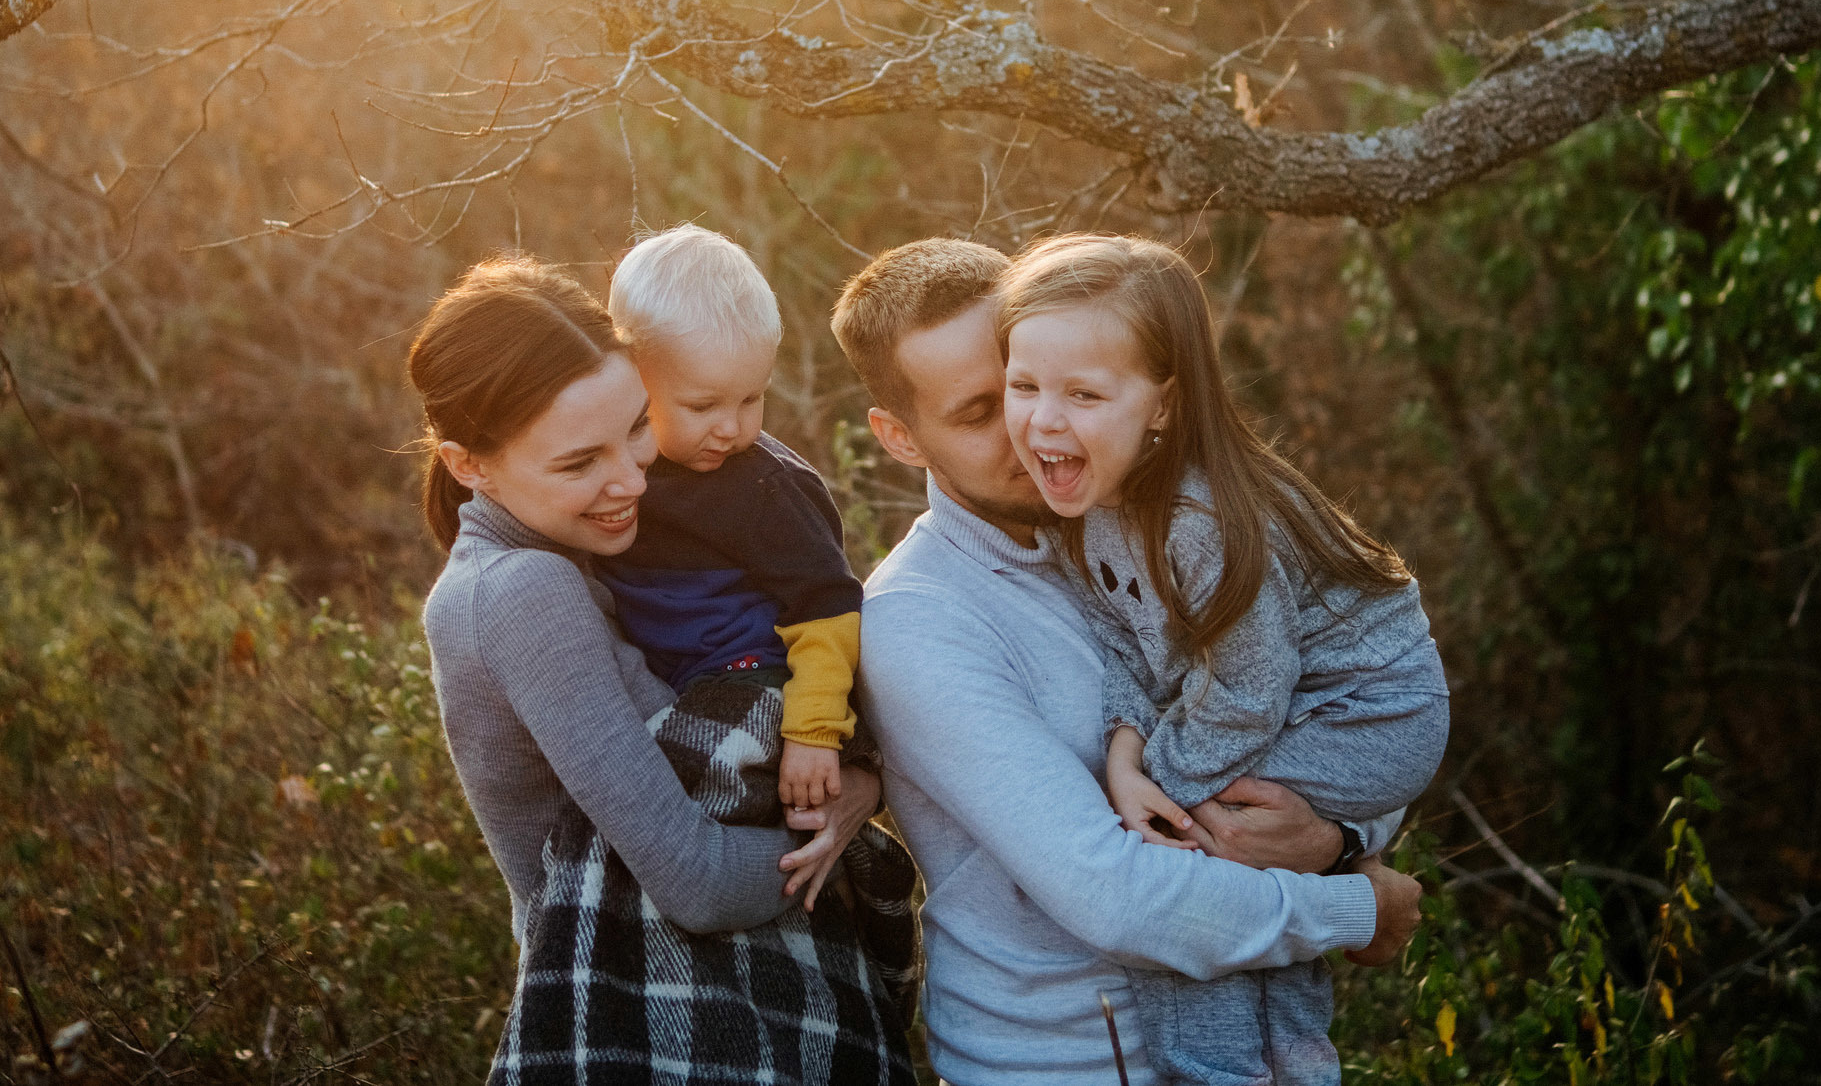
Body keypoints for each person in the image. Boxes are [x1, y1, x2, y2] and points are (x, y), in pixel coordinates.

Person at [832, 238, 1425, 1085]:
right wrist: (1354, 906)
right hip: (1067, 1062)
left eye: (1039, 383)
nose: (1033, 427)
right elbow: (1111, 894)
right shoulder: (918, 620)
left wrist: (1339, 840)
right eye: (982, 409)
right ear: (899, 438)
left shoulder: (1155, 527)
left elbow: (1335, 718)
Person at [412, 254, 916, 1085]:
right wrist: (844, 833)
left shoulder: (582, 551)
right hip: (653, 1013)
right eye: (580, 463)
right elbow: (697, 882)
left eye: (637, 428)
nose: (632, 480)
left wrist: (852, 767)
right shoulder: (521, 590)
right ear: (470, 465)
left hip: (705, 999)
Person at [997, 233, 1451, 1086]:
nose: (1044, 419)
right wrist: (1125, 750)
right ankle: (1292, 1065)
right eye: (1023, 386)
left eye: (1084, 393)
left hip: (1367, 714)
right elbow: (1123, 648)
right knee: (1224, 854)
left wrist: (1156, 789)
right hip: (1288, 711)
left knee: (1174, 860)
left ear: (1163, 406)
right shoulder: (1089, 513)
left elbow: (1248, 690)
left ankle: (1212, 1070)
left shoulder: (1198, 521)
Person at [593, 226, 865, 813]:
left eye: (750, 399)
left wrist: (813, 732)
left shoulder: (763, 488)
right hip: (669, 684)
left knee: (673, 789)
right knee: (607, 793)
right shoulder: (614, 467)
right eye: (703, 405)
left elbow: (828, 605)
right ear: (630, 376)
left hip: (758, 679)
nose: (732, 428)